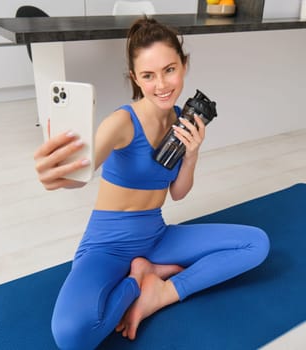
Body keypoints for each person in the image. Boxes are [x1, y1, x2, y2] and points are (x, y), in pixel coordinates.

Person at [33, 17, 270, 350]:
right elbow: (82, 171)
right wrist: (58, 176)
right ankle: (138, 279)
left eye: (170, 70)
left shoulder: (182, 120)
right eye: (148, 75)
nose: (161, 84)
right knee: (72, 337)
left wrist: (192, 154)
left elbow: (178, 193)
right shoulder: (121, 122)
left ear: (184, 66)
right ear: (135, 78)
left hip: (156, 237)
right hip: (107, 246)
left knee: (256, 244)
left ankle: (159, 293)